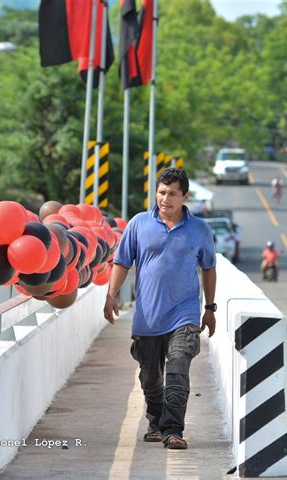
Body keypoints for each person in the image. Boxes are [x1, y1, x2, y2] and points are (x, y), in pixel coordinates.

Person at [103, 168, 217, 450]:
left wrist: (210, 308)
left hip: (185, 313)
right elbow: (122, 262)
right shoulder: (139, 223)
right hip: (148, 317)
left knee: (178, 368)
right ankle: (155, 422)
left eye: (173, 193)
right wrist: (111, 294)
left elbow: (209, 268)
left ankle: (173, 430)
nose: (166, 199)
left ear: (185, 196)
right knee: (150, 377)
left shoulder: (199, 229)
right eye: (162, 192)